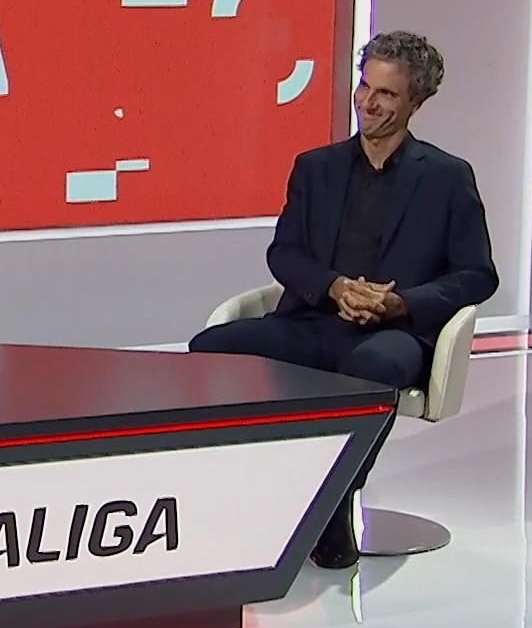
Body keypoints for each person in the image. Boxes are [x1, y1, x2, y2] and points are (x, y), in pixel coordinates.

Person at [187, 31, 497, 569]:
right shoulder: (316, 167)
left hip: (392, 333)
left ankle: (332, 507)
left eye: (386, 94)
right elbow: (284, 253)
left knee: (373, 368)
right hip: (312, 321)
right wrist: (334, 287)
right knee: (209, 348)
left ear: (416, 102)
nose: (367, 102)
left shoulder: (448, 178)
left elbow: (477, 275)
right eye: (364, 86)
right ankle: (235, 500)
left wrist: (401, 305)